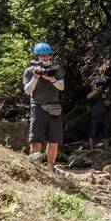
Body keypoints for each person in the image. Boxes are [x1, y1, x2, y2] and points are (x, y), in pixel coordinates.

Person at [22, 42, 65, 172]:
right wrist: (35, 78)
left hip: (54, 108)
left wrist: (51, 79)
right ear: (37, 56)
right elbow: (27, 91)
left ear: (50, 55)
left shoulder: (56, 69)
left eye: (47, 56)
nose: (45, 58)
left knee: (54, 140)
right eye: (42, 56)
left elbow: (61, 87)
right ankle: (34, 169)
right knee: (36, 140)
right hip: (38, 107)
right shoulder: (30, 71)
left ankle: (50, 168)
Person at [86, 77, 111, 151]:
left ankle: (106, 148)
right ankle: (91, 149)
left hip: (104, 116)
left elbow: (107, 104)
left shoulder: (108, 95)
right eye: (100, 85)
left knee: (106, 132)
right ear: (97, 86)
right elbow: (88, 97)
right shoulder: (94, 94)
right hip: (94, 115)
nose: (102, 87)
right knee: (93, 132)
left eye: (103, 86)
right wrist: (97, 91)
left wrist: (104, 97)